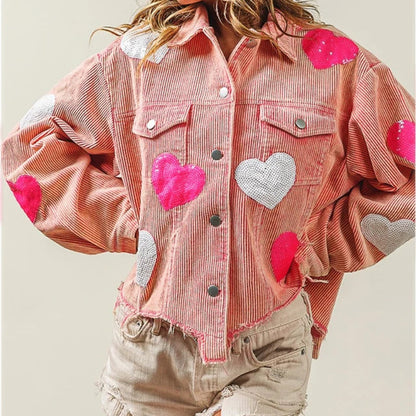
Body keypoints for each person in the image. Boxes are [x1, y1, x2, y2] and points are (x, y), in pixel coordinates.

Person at [1, 0, 414, 415]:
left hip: (268, 346)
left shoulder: (337, 65)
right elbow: (26, 150)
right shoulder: (135, 59)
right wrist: (135, 223)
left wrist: (312, 244)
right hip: (150, 347)